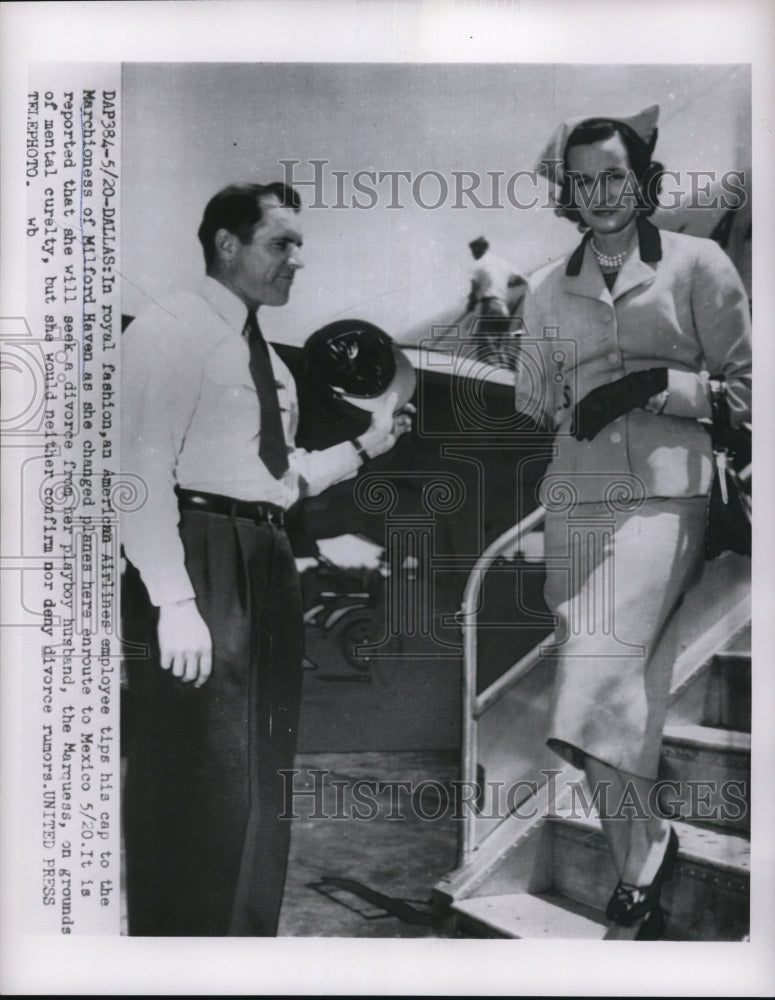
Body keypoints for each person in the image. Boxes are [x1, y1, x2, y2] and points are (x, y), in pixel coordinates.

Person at [120, 181, 411, 936]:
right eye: (282, 243)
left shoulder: (273, 364)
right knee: (199, 771)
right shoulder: (170, 328)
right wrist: (173, 601)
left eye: (299, 245)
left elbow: (277, 482)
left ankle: (243, 948)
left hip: (267, 553)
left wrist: (364, 447)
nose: (297, 260)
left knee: (262, 769)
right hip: (200, 555)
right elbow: (138, 474)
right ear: (228, 244)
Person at [515, 106, 751, 939]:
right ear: (567, 193)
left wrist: (653, 386)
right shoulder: (546, 287)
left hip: (664, 498)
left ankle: (640, 857)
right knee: (622, 694)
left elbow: (746, 393)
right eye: (582, 180)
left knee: (588, 675)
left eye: (614, 174)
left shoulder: (697, 263)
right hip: (575, 505)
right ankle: (643, 849)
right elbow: (535, 403)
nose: (600, 192)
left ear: (642, 180)